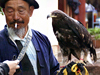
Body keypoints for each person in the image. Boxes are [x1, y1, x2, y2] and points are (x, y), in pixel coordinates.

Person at [0, 0, 59, 75]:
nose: (16, 17)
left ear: (30, 11)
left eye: (21, 11)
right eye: (10, 11)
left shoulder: (42, 40)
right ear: (4, 12)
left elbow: (54, 70)